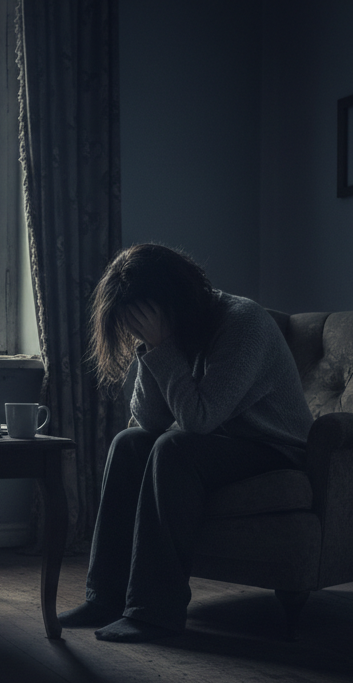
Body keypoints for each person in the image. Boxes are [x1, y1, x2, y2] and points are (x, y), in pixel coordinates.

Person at [58, 243, 315, 642]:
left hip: (274, 449)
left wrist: (162, 347)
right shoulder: (177, 333)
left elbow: (198, 419)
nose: (134, 333)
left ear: (174, 300)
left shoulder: (244, 323)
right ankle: (104, 598)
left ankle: (154, 614)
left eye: (141, 323)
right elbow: (149, 420)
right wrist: (151, 348)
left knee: (174, 449)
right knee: (129, 444)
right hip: (219, 443)